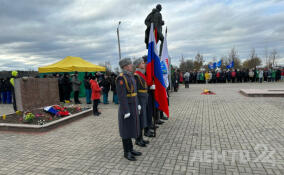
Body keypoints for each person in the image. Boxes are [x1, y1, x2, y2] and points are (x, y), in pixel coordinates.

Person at [116, 58, 141, 161]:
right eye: (130, 64)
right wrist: (126, 111)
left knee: (131, 128)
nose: (132, 65)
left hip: (133, 106)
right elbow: (122, 97)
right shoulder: (121, 78)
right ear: (125, 66)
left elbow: (135, 93)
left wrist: (138, 104)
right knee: (126, 130)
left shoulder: (130, 76)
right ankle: (126, 152)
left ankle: (131, 149)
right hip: (126, 108)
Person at [133, 58, 150, 147]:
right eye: (142, 63)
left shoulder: (142, 74)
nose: (144, 64)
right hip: (140, 99)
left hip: (144, 98)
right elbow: (135, 90)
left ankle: (141, 138)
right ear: (138, 65)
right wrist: (137, 103)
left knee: (143, 118)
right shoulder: (136, 75)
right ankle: (138, 139)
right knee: (139, 119)